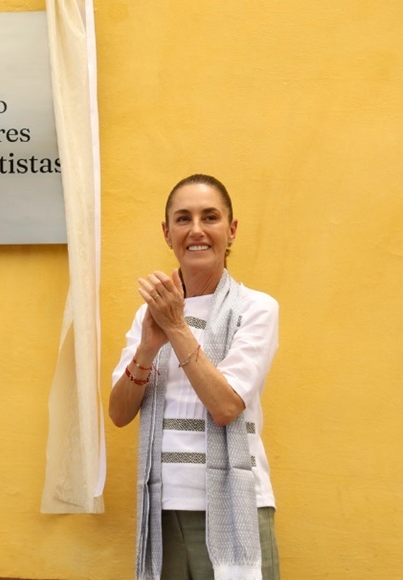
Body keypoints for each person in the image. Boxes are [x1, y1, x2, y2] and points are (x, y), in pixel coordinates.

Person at [108, 175, 279, 580]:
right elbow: (118, 413)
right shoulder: (148, 314)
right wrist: (147, 349)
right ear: (167, 233)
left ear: (231, 230)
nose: (196, 230)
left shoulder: (256, 308)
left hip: (237, 506)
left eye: (210, 217)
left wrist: (175, 327)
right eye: (183, 219)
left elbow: (225, 406)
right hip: (163, 508)